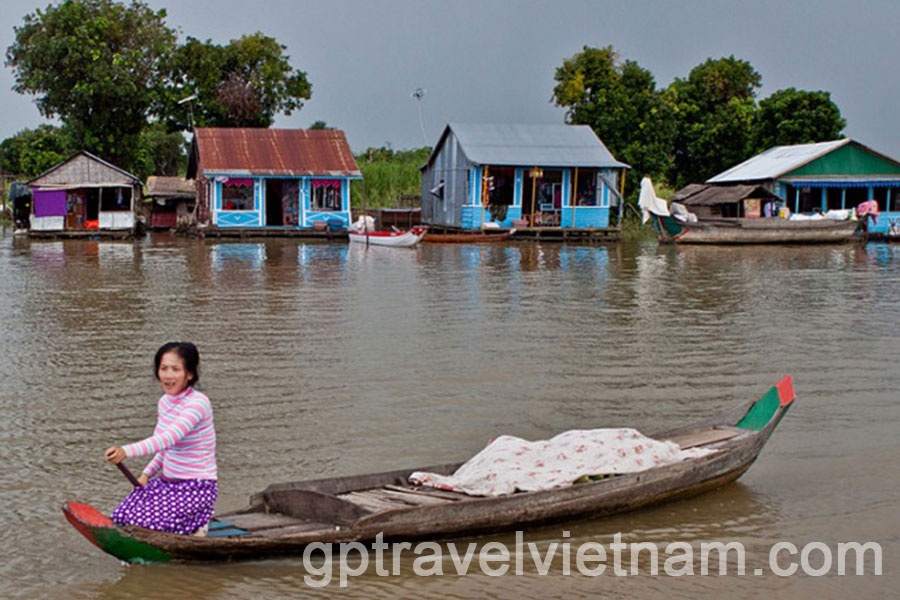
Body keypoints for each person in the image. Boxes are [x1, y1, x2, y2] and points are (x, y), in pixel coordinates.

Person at [104, 342, 217, 535]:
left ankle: (199, 524)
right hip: (168, 483)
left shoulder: (198, 403)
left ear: (189, 374)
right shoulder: (164, 402)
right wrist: (147, 474)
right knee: (121, 516)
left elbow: (167, 439)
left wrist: (126, 451)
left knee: (145, 524)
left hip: (197, 488)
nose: (168, 375)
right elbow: (165, 449)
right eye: (163, 369)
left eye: (175, 369)